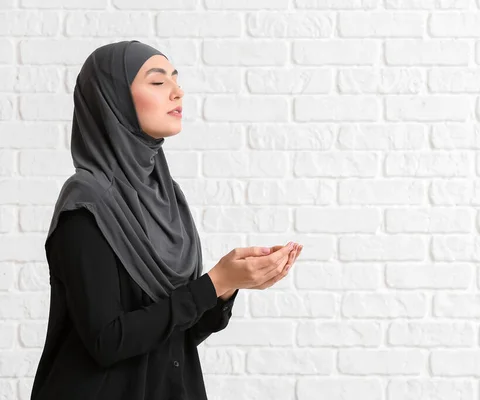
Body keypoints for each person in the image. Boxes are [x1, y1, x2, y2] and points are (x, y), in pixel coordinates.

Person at [30, 40, 303, 400]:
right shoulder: (86, 206)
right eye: (158, 83)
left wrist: (231, 284)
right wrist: (213, 282)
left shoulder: (166, 197)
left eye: (176, 79)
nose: (177, 91)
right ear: (113, 101)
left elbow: (180, 331)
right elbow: (107, 341)